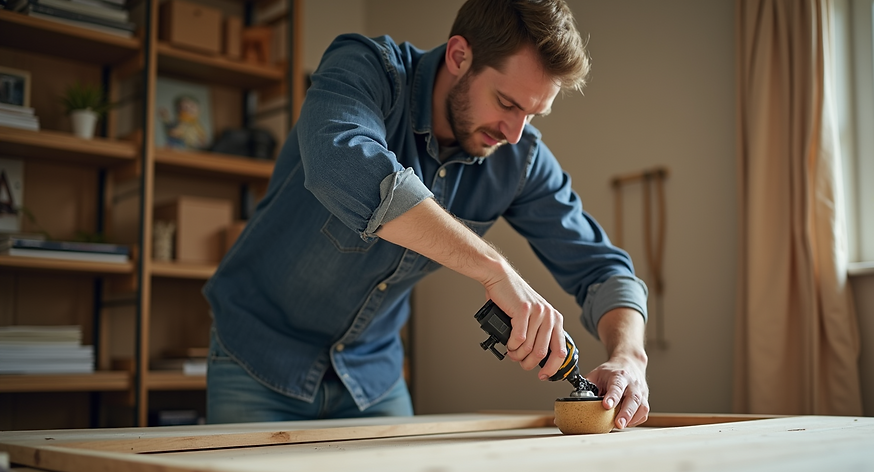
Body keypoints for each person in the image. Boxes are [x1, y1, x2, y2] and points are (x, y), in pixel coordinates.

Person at [203, 0, 650, 429]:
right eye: (508, 103)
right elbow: (340, 163)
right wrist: (494, 271)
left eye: (533, 115)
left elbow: (603, 269)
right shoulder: (366, 67)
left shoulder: (520, 159)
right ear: (459, 55)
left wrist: (629, 355)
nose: (514, 134)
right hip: (258, 359)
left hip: (372, 380)